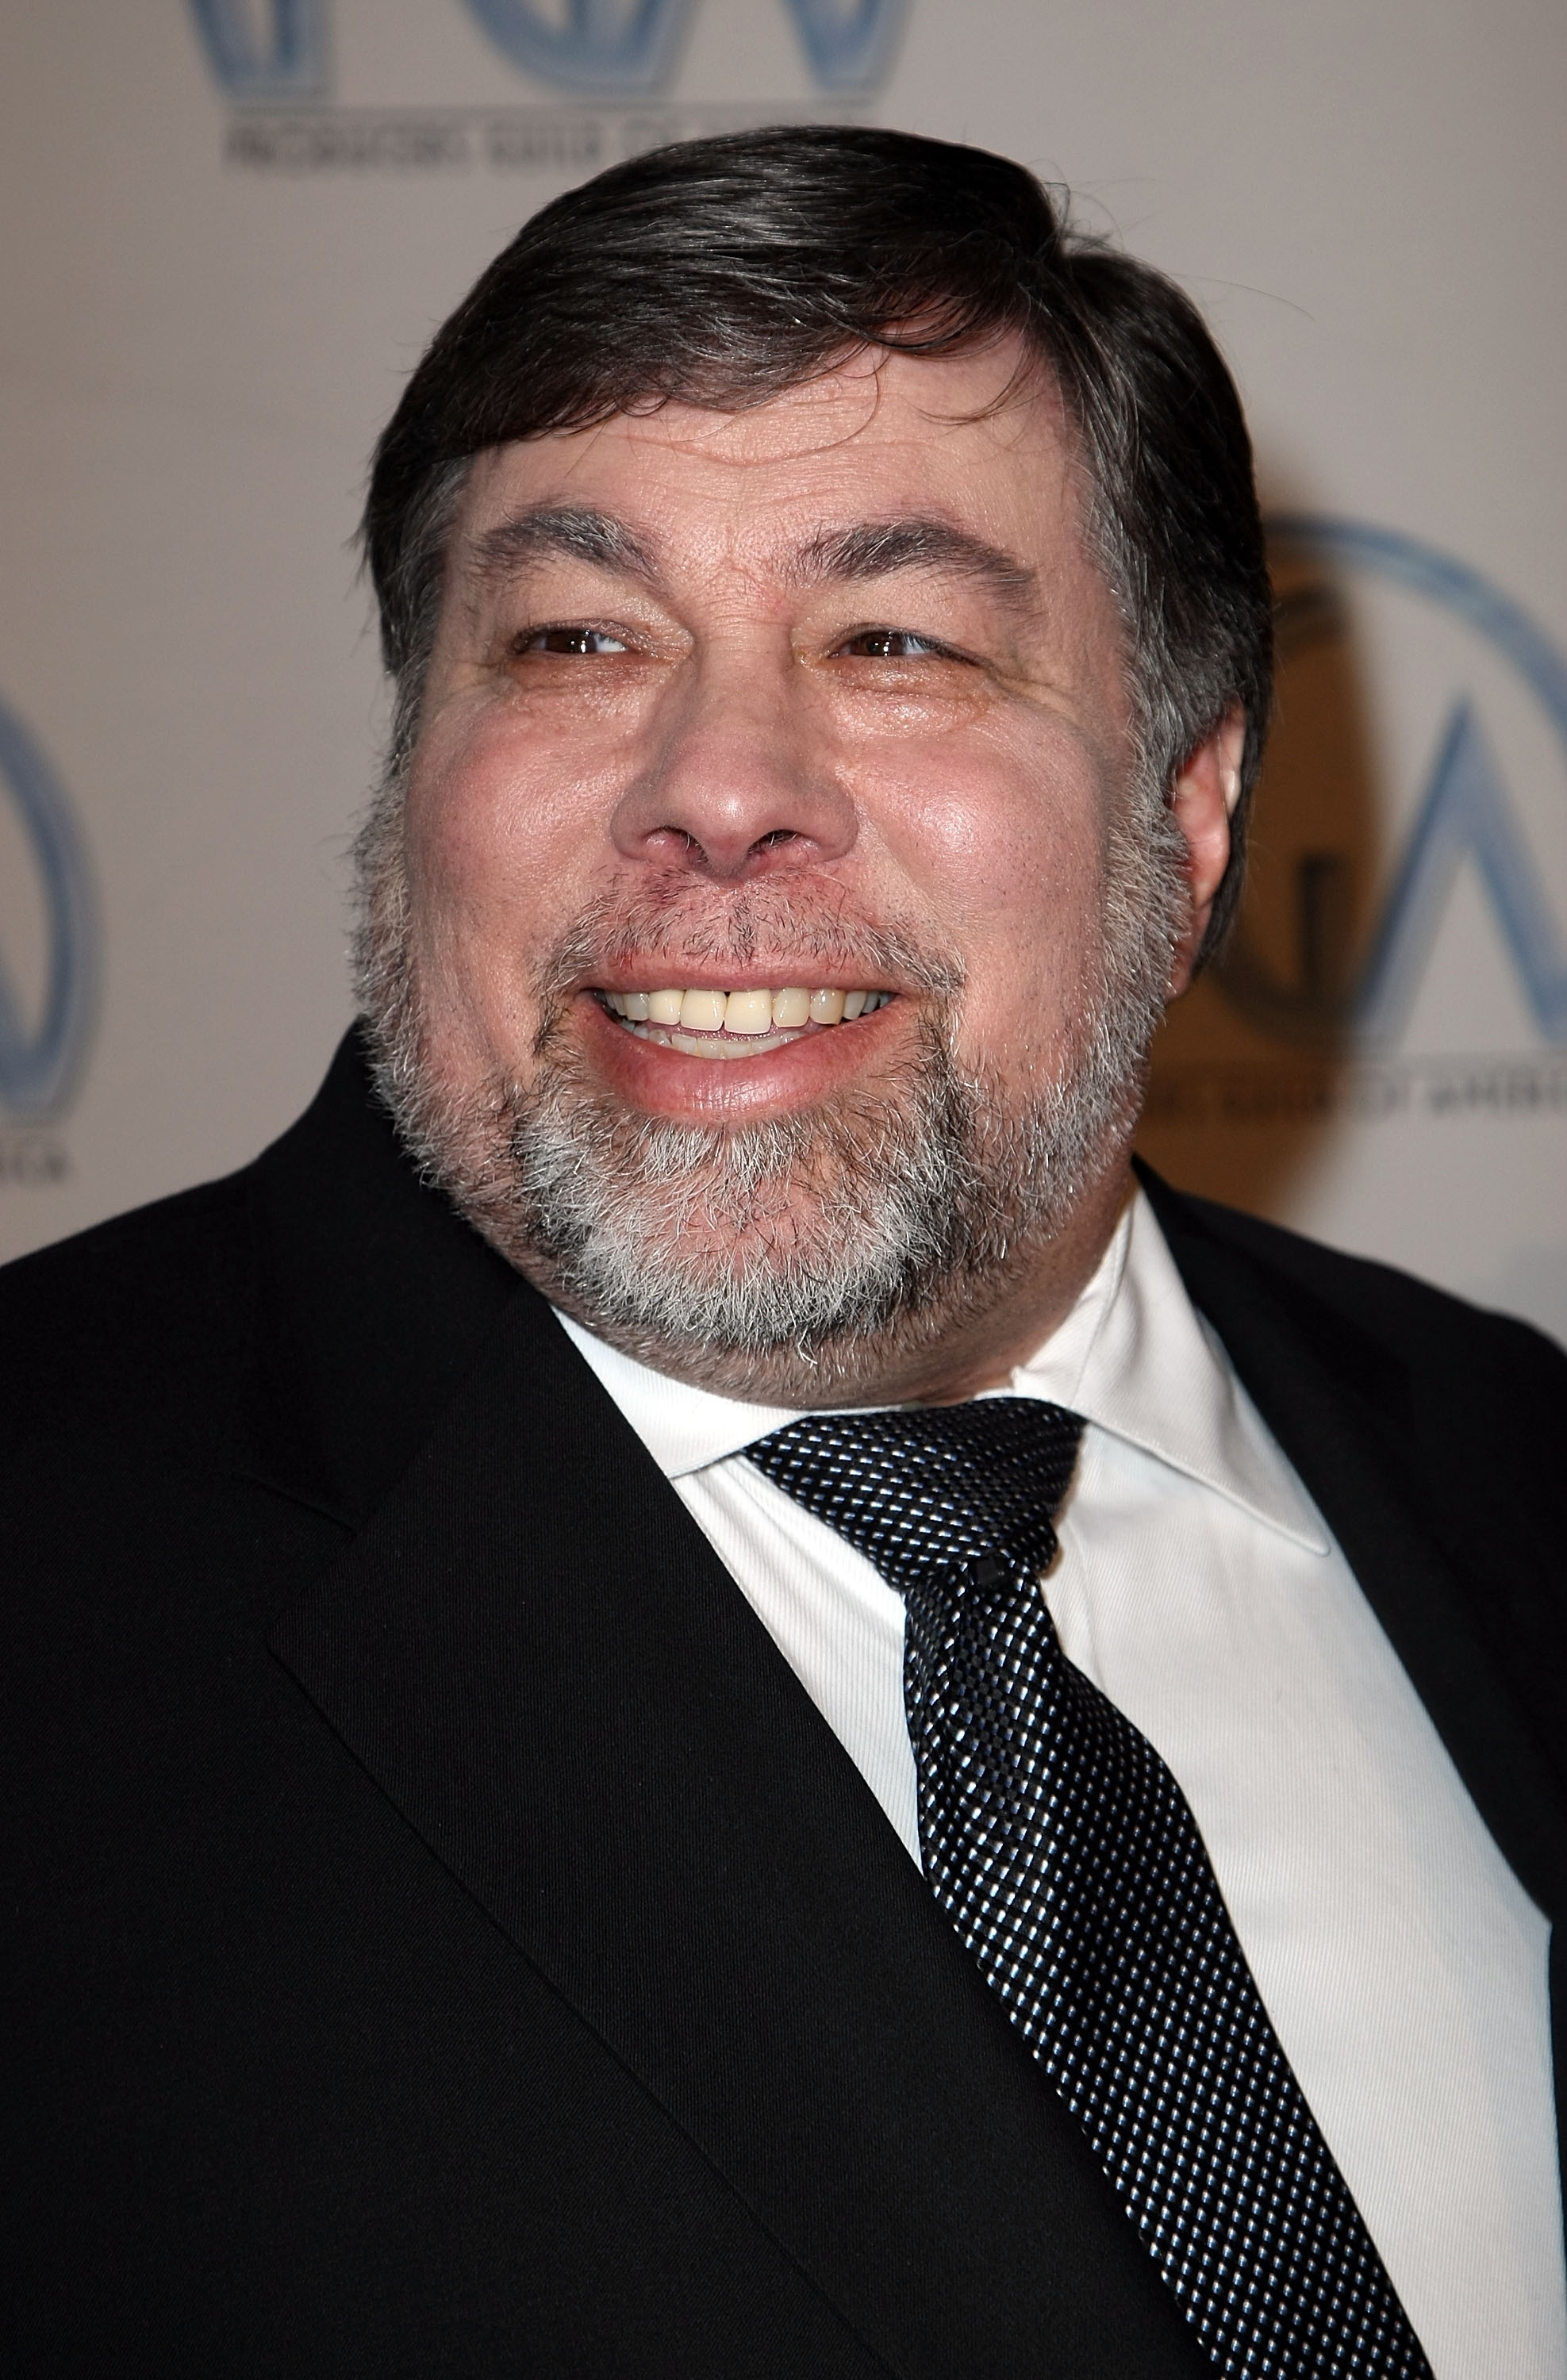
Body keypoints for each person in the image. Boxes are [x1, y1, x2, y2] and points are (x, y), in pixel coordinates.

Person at [4, 127, 1564, 2380]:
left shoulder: (1513, 1464)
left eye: (897, 639)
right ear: (417, 764)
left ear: (1191, 808)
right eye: (576, 637)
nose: (717, 786)